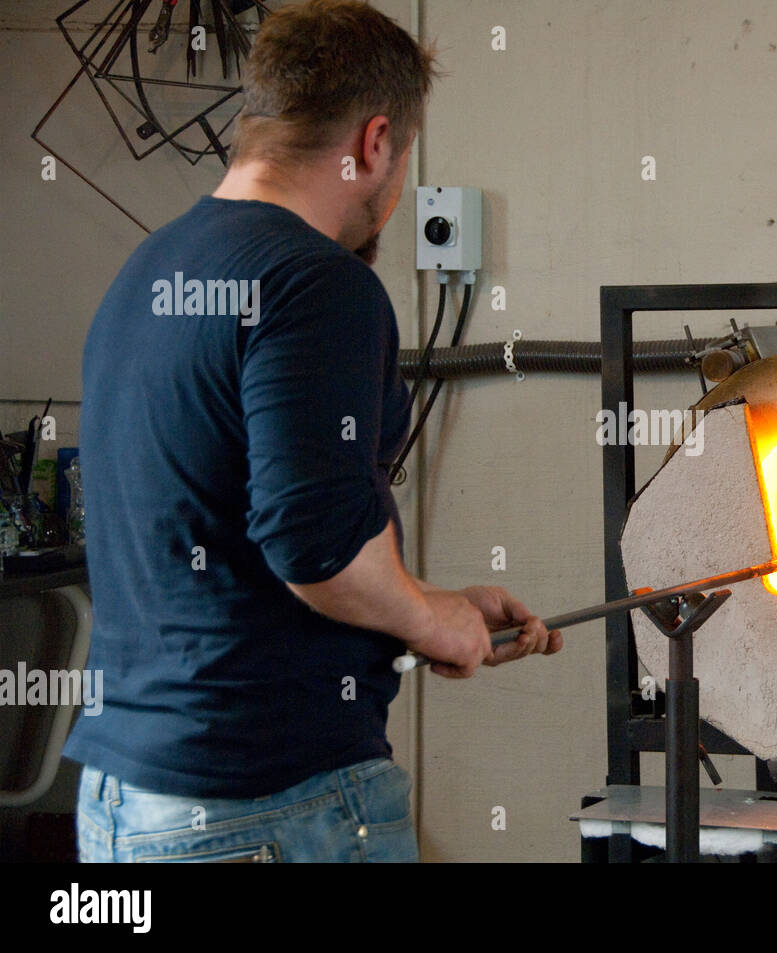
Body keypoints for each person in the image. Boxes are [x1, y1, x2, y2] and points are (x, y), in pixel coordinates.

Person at [65, 0, 561, 863]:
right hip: (267, 804)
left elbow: (249, 533)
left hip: (127, 802)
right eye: (401, 159)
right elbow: (312, 543)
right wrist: (432, 623)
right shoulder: (316, 282)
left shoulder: (147, 272)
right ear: (375, 143)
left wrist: (423, 604)